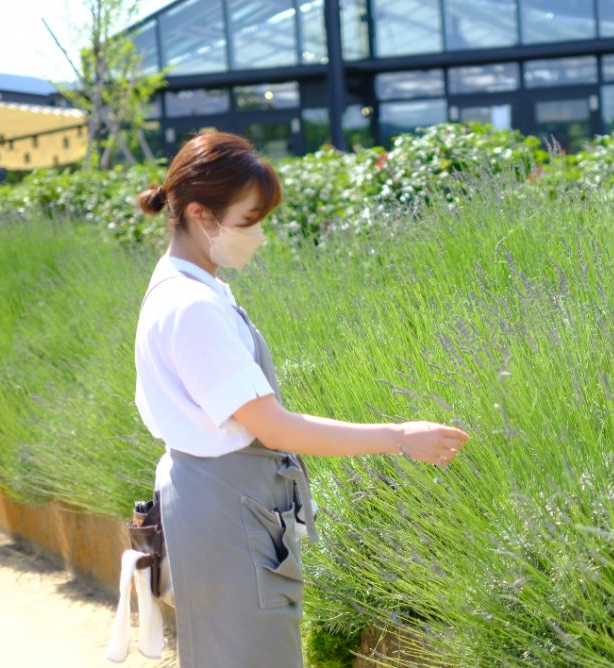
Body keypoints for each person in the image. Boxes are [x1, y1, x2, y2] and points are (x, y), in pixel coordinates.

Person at [132, 131, 470, 667]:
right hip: (227, 514)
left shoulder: (190, 290)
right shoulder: (191, 307)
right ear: (201, 214)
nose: (259, 237)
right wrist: (400, 437)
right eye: (249, 220)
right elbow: (276, 428)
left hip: (223, 506)